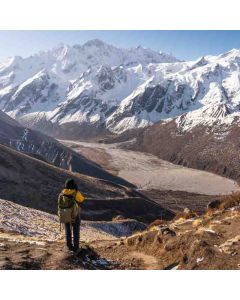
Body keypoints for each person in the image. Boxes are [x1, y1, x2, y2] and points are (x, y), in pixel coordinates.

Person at [58, 178, 85, 252]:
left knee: (67, 230)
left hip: (65, 213)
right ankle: (76, 248)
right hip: (75, 214)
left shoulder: (62, 193)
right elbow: (82, 200)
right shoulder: (76, 193)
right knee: (76, 230)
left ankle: (69, 246)